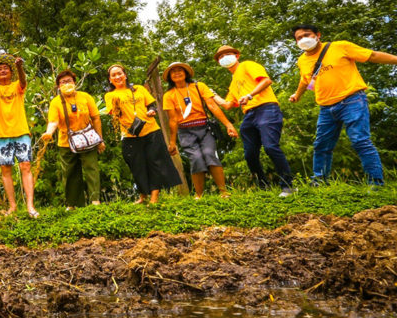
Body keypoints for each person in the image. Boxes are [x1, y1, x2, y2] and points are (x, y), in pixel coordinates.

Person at [289, 25, 397, 186]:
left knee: (360, 141)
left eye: (307, 35)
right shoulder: (302, 60)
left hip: (352, 100)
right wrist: (297, 95)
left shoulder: (340, 47)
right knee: (321, 145)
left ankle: (375, 182)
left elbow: (372, 55)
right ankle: (319, 181)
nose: (304, 39)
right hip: (326, 107)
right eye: (299, 38)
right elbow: (305, 80)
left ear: (317, 35)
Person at [213, 45, 294, 196]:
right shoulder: (233, 82)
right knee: (249, 154)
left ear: (236, 56)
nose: (225, 58)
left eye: (228, 54)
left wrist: (250, 95)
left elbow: (266, 81)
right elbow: (228, 105)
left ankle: (287, 185)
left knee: (270, 147)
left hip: (266, 108)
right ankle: (263, 186)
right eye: (221, 57)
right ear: (219, 62)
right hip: (249, 115)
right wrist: (210, 94)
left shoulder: (247, 65)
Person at [105, 64, 181, 204]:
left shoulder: (139, 88)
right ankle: (142, 196)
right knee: (137, 165)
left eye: (119, 73)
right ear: (110, 80)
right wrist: (116, 107)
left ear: (125, 75)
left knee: (155, 162)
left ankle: (154, 197)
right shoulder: (110, 95)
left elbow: (151, 104)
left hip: (151, 130)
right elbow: (114, 115)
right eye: (114, 75)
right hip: (130, 134)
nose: (117, 77)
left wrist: (152, 110)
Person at [162, 61, 237, 198]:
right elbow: (172, 120)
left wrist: (228, 125)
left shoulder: (198, 86)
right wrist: (172, 142)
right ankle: (199, 195)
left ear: (186, 73)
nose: (177, 73)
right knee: (196, 158)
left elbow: (213, 106)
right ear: (169, 77)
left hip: (204, 127)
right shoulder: (169, 95)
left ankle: (224, 192)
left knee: (210, 154)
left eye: (180, 70)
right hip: (185, 131)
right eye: (173, 71)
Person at [0, 53, 38, 217]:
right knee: (6, 170)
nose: (2, 71)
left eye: (5, 68)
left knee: (26, 166)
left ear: (11, 71)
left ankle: (30, 206)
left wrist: (20, 67)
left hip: (21, 131)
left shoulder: (16, 86)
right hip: (1, 134)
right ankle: (12, 206)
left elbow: (23, 82)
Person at [41, 69, 104, 208]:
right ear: (58, 86)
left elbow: (96, 118)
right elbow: (53, 121)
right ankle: (73, 204)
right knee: (69, 173)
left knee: (91, 169)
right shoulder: (56, 102)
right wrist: (49, 133)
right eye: (63, 82)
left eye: (69, 81)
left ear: (74, 82)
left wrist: (100, 139)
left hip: (88, 140)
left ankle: (95, 201)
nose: (66, 84)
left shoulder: (85, 97)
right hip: (66, 142)